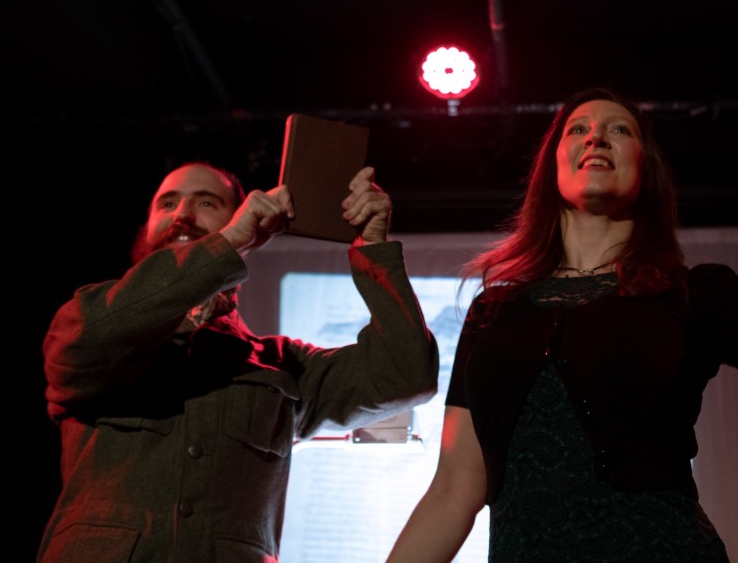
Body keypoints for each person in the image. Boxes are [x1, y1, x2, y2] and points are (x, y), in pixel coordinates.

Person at [386, 87, 738, 562]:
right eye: (578, 129)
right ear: (550, 166)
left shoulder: (692, 294)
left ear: (647, 169)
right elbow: (454, 489)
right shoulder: (494, 311)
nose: (596, 137)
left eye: (619, 130)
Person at [38, 161, 439, 562]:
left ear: (247, 221)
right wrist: (226, 242)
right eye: (167, 204)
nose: (182, 215)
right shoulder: (88, 319)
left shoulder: (283, 366)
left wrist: (373, 250)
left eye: (206, 203)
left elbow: (406, 374)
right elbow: (82, 346)